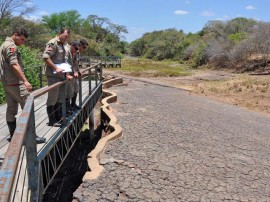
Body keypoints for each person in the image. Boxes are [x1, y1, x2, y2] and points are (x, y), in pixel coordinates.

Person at [0, 27, 46, 143]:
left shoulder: (4, 45)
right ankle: (30, 137)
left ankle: (14, 135)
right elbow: (14, 64)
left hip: (8, 83)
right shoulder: (11, 46)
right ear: (15, 35)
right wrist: (25, 80)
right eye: (22, 39)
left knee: (11, 110)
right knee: (28, 108)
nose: (23, 42)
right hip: (16, 83)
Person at [43, 28, 73, 126]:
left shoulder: (64, 44)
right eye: (65, 36)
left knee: (59, 97)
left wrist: (67, 73)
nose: (66, 38)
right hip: (53, 75)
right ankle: (52, 120)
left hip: (62, 75)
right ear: (59, 34)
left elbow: (65, 60)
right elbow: (45, 57)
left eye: (68, 37)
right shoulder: (53, 43)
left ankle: (58, 116)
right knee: (52, 97)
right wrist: (55, 68)